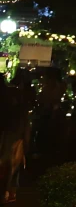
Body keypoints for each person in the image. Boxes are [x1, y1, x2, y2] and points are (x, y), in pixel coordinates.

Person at [0, 73, 29, 205]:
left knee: (9, 165)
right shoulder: (19, 112)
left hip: (11, 138)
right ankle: (9, 192)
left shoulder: (12, 110)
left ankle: (8, 192)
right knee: (12, 167)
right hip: (14, 139)